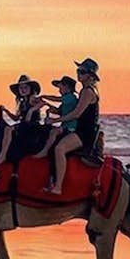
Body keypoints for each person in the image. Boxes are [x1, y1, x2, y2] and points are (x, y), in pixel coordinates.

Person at [45, 58, 101, 195]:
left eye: (82, 72)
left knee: (60, 149)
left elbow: (76, 114)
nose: (78, 74)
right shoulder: (84, 91)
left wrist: (55, 120)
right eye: (78, 71)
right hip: (81, 130)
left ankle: (58, 187)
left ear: (90, 75)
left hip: (84, 133)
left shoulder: (88, 92)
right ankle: (50, 180)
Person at [0, 75, 48, 167]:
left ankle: (2, 156)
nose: (23, 90)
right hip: (23, 125)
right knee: (1, 127)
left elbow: (43, 103)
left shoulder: (32, 98)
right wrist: (6, 111)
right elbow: (16, 118)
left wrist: (32, 110)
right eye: (21, 88)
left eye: (25, 87)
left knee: (9, 130)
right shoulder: (22, 102)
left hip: (32, 126)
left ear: (30, 88)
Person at [32, 75, 79, 160]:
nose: (59, 91)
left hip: (71, 127)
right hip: (64, 126)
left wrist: (44, 96)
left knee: (54, 132)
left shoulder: (71, 97)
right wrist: (46, 104)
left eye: (60, 88)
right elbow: (58, 111)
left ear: (67, 87)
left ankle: (45, 151)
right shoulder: (66, 101)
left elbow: (57, 99)